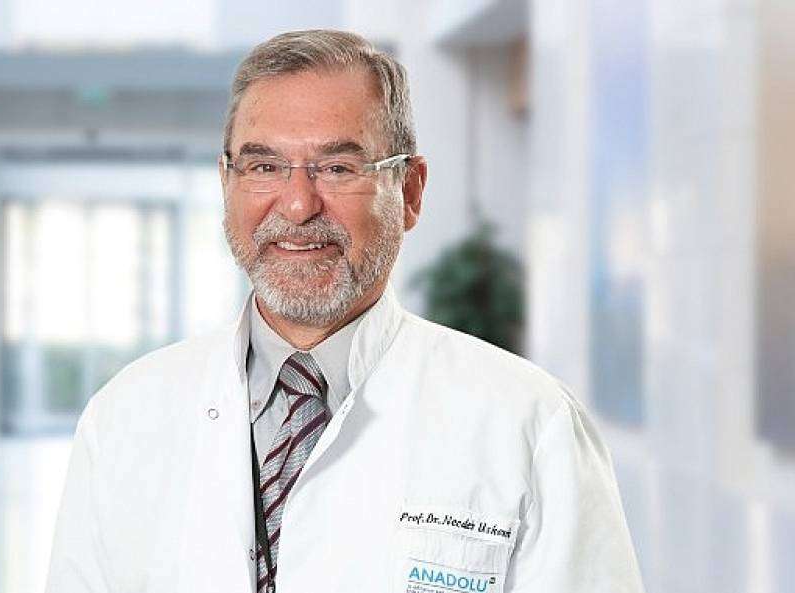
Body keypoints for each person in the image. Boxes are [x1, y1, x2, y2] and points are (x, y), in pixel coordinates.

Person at [45, 29, 645, 593]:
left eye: (337, 168)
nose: (298, 205)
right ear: (226, 183)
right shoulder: (124, 417)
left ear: (410, 192)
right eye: (264, 166)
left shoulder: (529, 424)